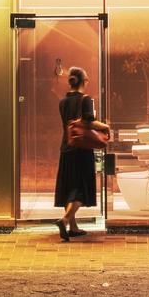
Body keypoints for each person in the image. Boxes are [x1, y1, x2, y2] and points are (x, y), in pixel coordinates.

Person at [54, 66, 110, 242]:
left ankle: (73, 227)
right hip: (82, 150)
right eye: (87, 79)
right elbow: (89, 122)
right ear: (83, 81)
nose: (88, 81)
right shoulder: (86, 99)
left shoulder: (62, 102)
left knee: (69, 185)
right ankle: (64, 220)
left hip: (66, 148)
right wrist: (106, 126)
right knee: (80, 189)